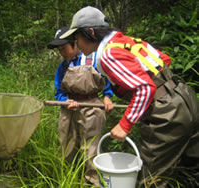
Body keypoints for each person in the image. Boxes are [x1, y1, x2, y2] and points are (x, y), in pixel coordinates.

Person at [60, 6, 199, 187]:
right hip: (185, 96)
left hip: (167, 111)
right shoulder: (124, 41)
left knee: (151, 180)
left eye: (77, 37)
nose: (76, 43)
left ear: (91, 32)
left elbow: (145, 88)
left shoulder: (108, 54)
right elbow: (163, 60)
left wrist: (124, 125)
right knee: (191, 168)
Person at [47, 26, 114, 186]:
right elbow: (58, 90)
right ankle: (70, 180)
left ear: (75, 44)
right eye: (60, 50)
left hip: (91, 106)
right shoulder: (63, 67)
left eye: (64, 48)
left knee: (90, 149)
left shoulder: (94, 58)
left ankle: (92, 182)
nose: (62, 53)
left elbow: (108, 80)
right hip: (68, 107)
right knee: (67, 145)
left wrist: (107, 96)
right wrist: (65, 100)